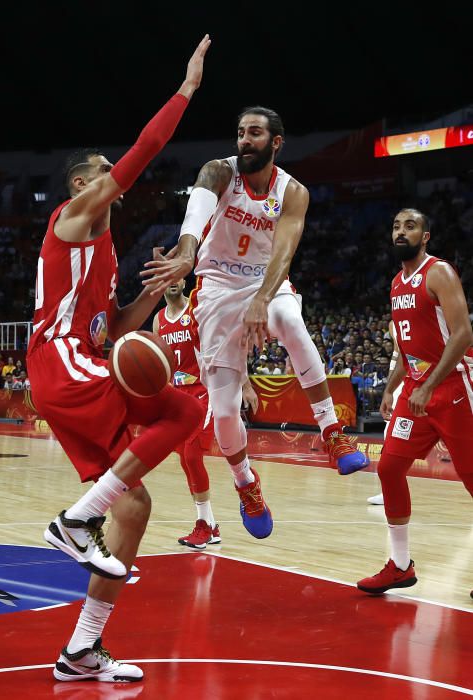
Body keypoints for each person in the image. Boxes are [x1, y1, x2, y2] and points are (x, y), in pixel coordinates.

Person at [26, 35, 211, 684]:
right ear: (83, 183)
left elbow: (115, 329)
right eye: (102, 171)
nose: (115, 180)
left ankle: (82, 649)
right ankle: (77, 521)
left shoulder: (103, 252)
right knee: (184, 408)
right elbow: (147, 150)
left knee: (131, 509)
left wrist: (148, 296)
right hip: (59, 364)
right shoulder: (73, 218)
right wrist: (186, 88)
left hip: (75, 366)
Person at [141, 105, 369, 541]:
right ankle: (246, 482)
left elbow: (285, 251)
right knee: (225, 412)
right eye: (241, 132)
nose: (245, 140)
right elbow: (196, 217)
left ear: (276, 142)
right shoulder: (219, 172)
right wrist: (187, 252)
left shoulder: (294, 191)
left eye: (256, 133)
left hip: (268, 281)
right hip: (217, 289)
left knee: (288, 316)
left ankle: (332, 431)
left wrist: (263, 299)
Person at [357, 208, 473, 595]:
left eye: (410, 226)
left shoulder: (438, 272)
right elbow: (407, 350)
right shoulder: (395, 283)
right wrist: (393, 387)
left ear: (425, 236)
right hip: (416, 389)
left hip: (453, 387)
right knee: (389, 469)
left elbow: (462, 335)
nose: (401, 232)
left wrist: (427, 386)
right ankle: (401, 565)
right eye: (395, 226)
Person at [153, 279, 259, 549]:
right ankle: (210, 525)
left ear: (183, 280)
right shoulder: (158, 320)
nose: (173, 282)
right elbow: (161, 364)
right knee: (185, 461)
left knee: (192, 453)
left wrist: (245, 384)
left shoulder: (196, 310)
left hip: (204, 389)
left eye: (178, 276)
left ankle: (204, 524)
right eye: (168, 278)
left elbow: (228, 345)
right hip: (177, 396)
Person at [367, 320, 402, 506]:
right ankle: (388, 491)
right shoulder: (394, 323)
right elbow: (399, 353)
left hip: (422, 376)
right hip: (403, 380)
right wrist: (389, 388)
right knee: (390, 433)